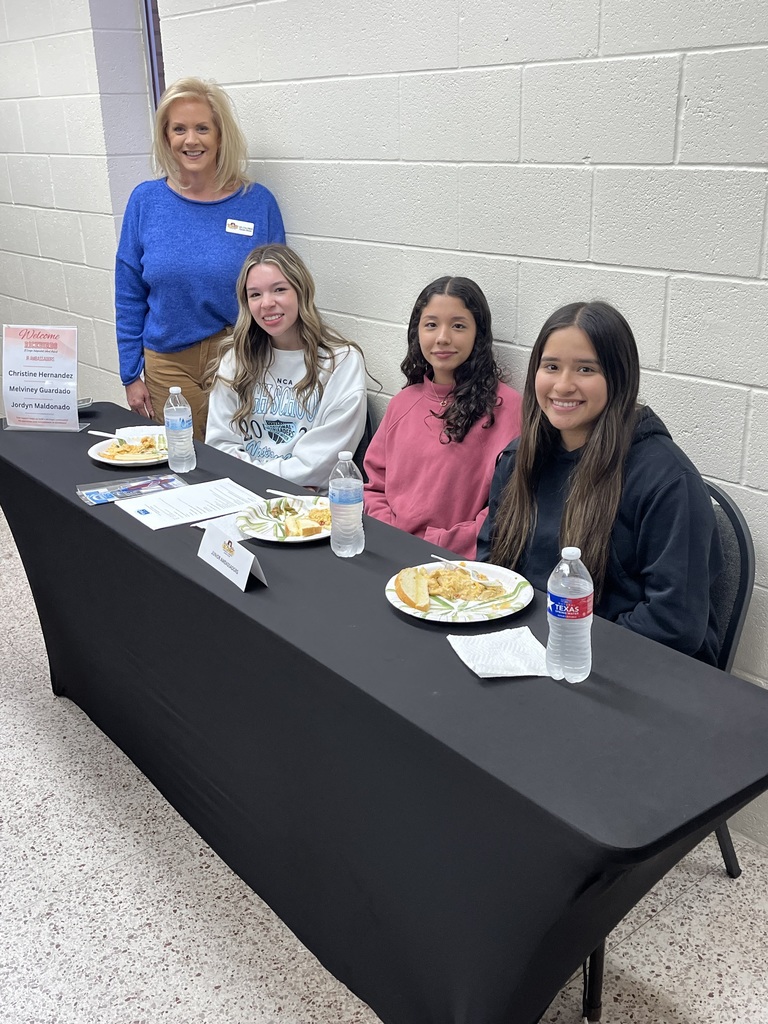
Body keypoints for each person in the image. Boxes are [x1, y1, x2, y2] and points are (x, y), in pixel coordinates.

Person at [477, 300, 723, 663]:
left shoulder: (668, 480)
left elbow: (675, 623)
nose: (563, 385)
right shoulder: (518, 459)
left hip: (630, 668)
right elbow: (492, 563)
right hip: (527, 652)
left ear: (619, 378)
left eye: (586, 369)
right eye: (551, 366)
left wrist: (565, 648)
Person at [115, 77, 285, 439]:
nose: (191, 140)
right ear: (166, 137)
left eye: (202, 128)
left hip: (241, 359)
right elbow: (129, 292)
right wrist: (130, 373)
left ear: (220, 136)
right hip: (169, 365)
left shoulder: (257, 203)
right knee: (185, 466)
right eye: (179, 129)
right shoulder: (146, 202)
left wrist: (283, 362)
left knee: (247, 461)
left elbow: (282, 292)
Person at [363, 277, 522, 558]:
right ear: (417, 332)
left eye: (458, 325)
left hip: (458, 567)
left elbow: (508, 508)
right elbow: (374, 487)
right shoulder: (403, 403)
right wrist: (391, 536)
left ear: (479, 333)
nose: (443, 338)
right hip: (389, 551)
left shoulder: (508, 408)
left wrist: (436, 544)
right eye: (431, 324)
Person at [205, 244, 367, 489]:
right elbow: (219, 445)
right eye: (255, 294)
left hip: (302, 505)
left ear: (302, 292)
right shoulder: (236, 359)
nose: (266, 303)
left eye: (279, 290)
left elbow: (320, 466)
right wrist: (265, 478)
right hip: (241, 491)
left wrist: (252, 474)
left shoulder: (341, 361)